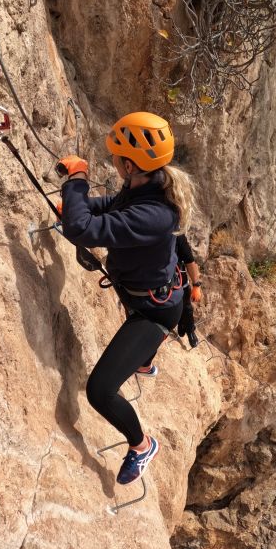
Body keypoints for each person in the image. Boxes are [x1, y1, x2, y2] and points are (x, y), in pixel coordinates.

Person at [58, 111, 196, 485]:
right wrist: (77, 203)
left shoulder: (155, 213)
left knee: (100, 390)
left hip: (154, 313)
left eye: (117, 158)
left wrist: (77, 183)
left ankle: (141, 445)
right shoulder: (146, 187)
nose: (114, 163)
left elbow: (82, 230)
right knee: (138, 350)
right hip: (150, 296)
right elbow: (112, 208)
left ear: (132, 164)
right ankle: (145, 362)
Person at [175, 234, 202, 348]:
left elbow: (189, 260)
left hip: (179, 278)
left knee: (186, 306)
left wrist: (196, 285)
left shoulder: (177, 236)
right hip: (164, 279)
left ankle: (190, 331)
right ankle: (181, 323)